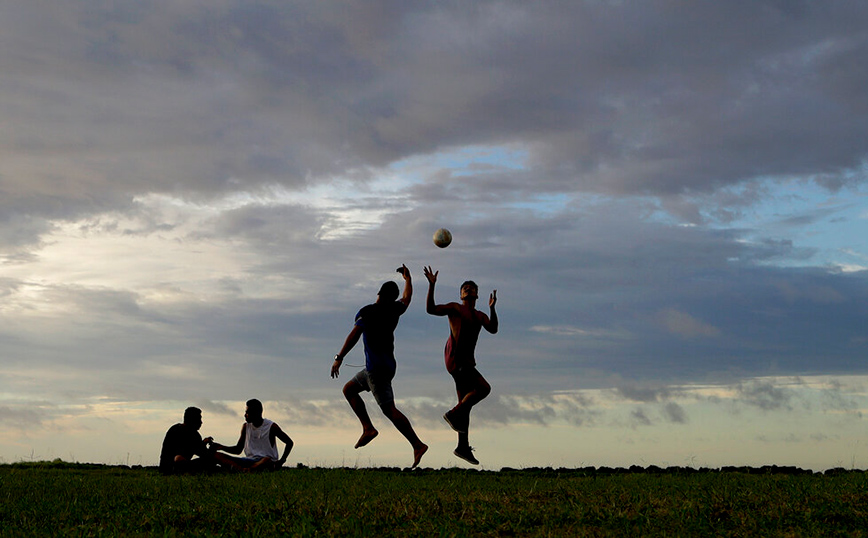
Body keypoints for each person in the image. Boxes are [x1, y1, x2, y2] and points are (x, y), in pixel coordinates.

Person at [331, 264, 428, 469]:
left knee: (389, 409)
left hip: (376, 370)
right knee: (349, 389)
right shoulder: (394, 310)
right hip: (384, 367)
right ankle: (367, 428)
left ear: (379, 294)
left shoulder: (368, 311)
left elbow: (354, 335)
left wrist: (339, 357)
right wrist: (408, 279)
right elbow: (407, 298)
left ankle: (417, 444)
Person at [423, 266, 498, 465]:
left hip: (466, 362)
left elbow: (493, 329)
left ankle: (462, 446)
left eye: (471, 288)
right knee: (483, 389)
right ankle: (453, 413)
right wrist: (431, 285)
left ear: (477, 294)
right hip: (456, 360)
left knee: (467, 405)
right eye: (465, 288)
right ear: (461, 294)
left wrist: (492, 307)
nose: (468, 289)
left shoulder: (480, 315)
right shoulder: (456, 308)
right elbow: (431, 309)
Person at [210, 399, 293, 472]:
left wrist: (281, 461)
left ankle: (246, 469)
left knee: (266, 460)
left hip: (265, 462)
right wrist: (221, 447)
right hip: (248, 461)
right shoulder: (246, 427)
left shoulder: (271, 426)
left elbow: (289, 442)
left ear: (256, 413)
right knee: (216, 455)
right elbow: (238, 449)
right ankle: (244, 470)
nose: (245, 415)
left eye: (247, 412)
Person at [159, 406, 216, 474]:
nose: (201, 422)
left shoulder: (176, 429)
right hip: (171, 467)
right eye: (199, 419)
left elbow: (199, 450)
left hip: (168, 468)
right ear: (193, 420)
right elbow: (199, 451)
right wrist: (205, 445)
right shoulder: (181, 432)